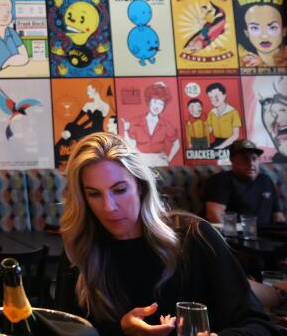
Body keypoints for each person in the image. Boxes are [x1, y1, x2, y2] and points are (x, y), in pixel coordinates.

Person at [59, 132, 277, 336]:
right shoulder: (79, 250)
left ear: (141, 187)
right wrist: (121, 330)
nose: (109, 207)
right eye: (94, 194)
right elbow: (65, 329)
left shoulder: (194, 236)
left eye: (119, 190)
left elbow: (260, 326)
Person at [202, 139, 285, 227]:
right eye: (245, 158)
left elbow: (278, 216)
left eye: (254, 158)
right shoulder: (221, 180)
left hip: (267, 236)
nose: (251, 163)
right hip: (237, 236)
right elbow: (213, 215)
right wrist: (227, 238)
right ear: (232, 160)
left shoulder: (265, 180)